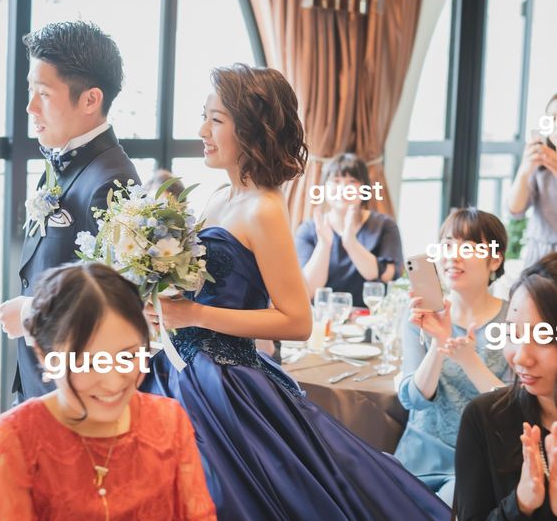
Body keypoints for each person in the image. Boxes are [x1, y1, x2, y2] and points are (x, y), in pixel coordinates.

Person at [140, 63, 450, 520]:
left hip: (225, 382)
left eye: (216, 119)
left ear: (250, 129)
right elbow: (206, 290)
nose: (203, 130)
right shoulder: (219, 196)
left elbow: (297, 320)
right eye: (204, 117)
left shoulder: (264, 208)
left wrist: (194, 315)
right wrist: (165, 305)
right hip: (181, 367)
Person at [0, 263, 216, 520]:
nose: (112, 383)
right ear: (45, 355)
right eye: (88, 363)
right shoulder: (10, 442)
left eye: (128, 357)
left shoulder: (168, 420)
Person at [0, 21, 139, 402]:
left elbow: (118, 305)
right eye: (31, 90)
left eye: (44, 94)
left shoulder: (112, 180)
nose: (30, 107)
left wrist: (30, 312)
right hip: (40, 384)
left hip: (75, 394)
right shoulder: (64, 161)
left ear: (91, 100)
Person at [394, 208, 512, 506]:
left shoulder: (514, 319)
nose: (452, 256)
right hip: (417, 456)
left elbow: (515, 408)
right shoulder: (421, 315)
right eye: (447, 245)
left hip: (478, 459)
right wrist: (439, 342)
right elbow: (413, 399)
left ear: (495, 260)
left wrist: (469, 361)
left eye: (468, 247)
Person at [455, 252, 557, 520]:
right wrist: (520, 504)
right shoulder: (485, 418)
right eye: (513, 333)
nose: (521, 357)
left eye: (544, 338)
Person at [295, 153, 403, 307]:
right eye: (336, 181)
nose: (344, 188)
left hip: (370, 317)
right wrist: (324, 245)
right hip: (323, 317)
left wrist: (351, 243)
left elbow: (389, 275)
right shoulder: (309, 229)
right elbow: (308, 291)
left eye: (353, 181)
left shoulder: (384, 225)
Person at [507, 94, 557, 267]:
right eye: (552, 118)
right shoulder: (540, 162)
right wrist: (525, 169)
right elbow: (515, 210)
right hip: (539, 256)